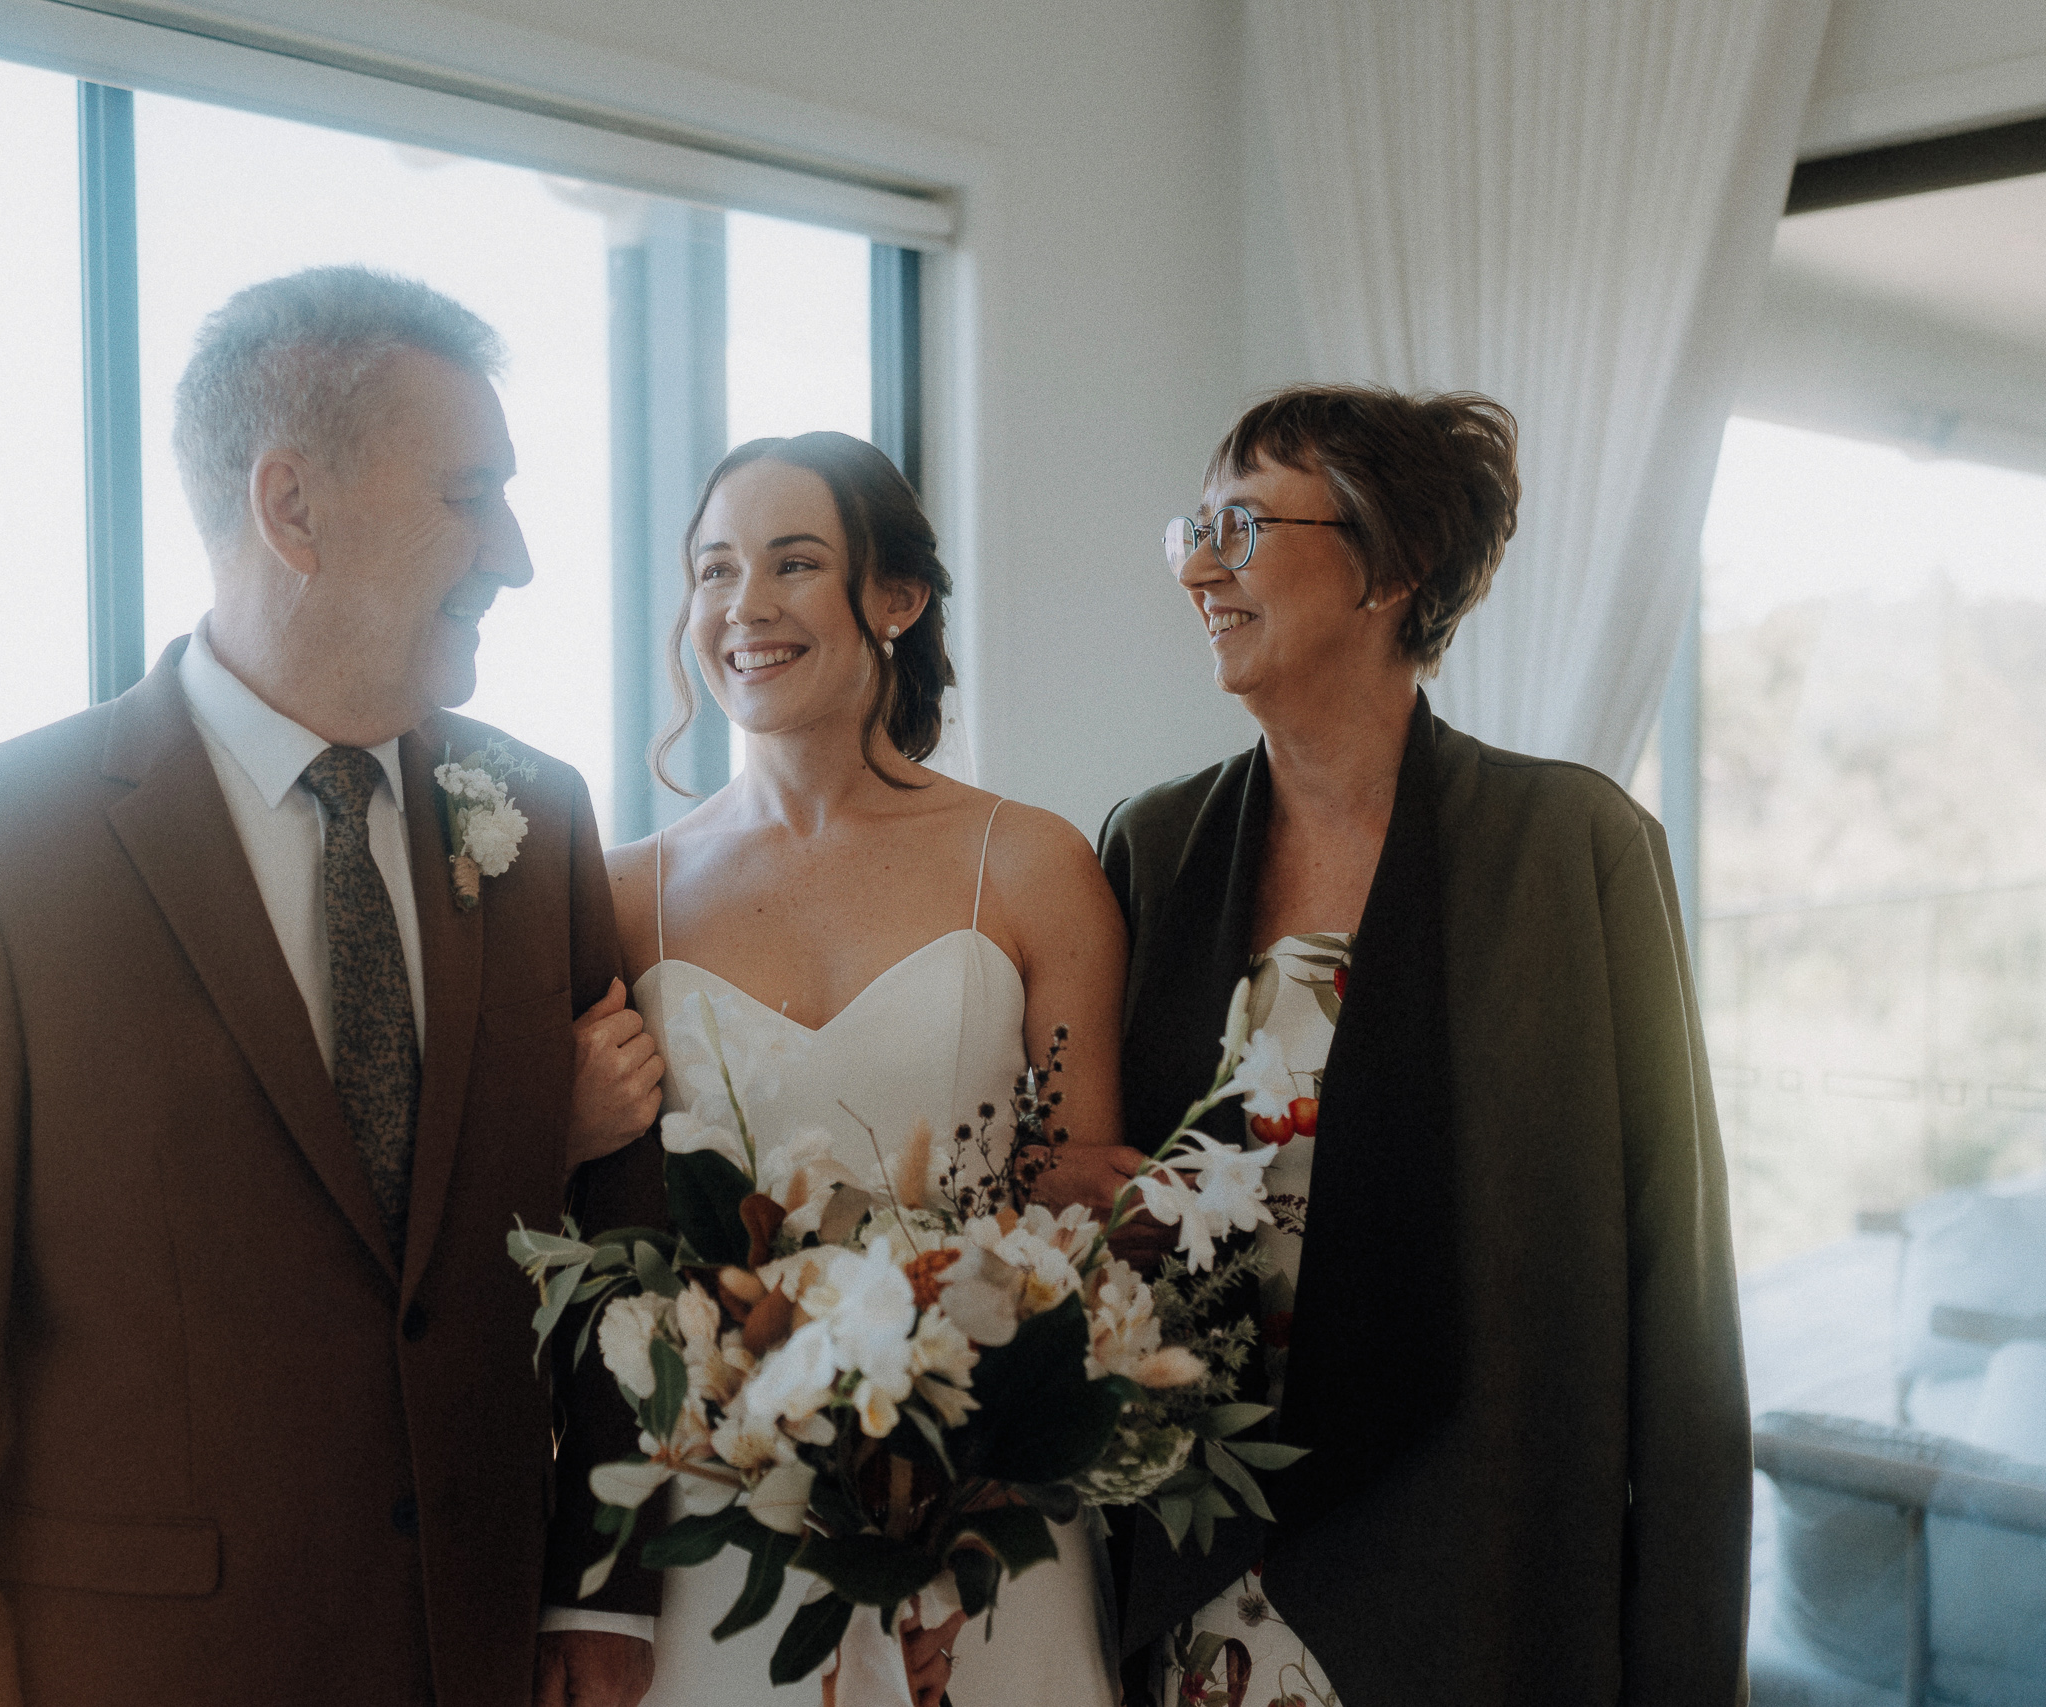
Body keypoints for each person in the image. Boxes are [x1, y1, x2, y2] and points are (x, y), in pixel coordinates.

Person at [0, 265, 666, 1707]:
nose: (514, 553)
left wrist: (604, 1587)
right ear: (290, 507)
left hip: (481, 1654)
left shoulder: (538, 813)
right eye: (470, 493)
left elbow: (617, 1238)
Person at [1053, 384, 1749, 1705]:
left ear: (1392, 565)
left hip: (1473, 1581)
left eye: (1244, 524)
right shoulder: (1152, 845)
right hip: (1203, 1579)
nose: (1201, 564)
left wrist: (1688, 1672)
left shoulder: (1578, 851)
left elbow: (1684, 1314)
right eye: (1191, 527)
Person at [597, 431, 1130, 1706]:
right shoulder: (626, 897)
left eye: (793, 564)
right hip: (725, 1515)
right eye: (716, 570)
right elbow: (600, 1224)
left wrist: (963, 1484)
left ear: (895, 598)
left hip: (986, 1502)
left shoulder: (1033, 863)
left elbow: (1082, 1198)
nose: (745, 607)